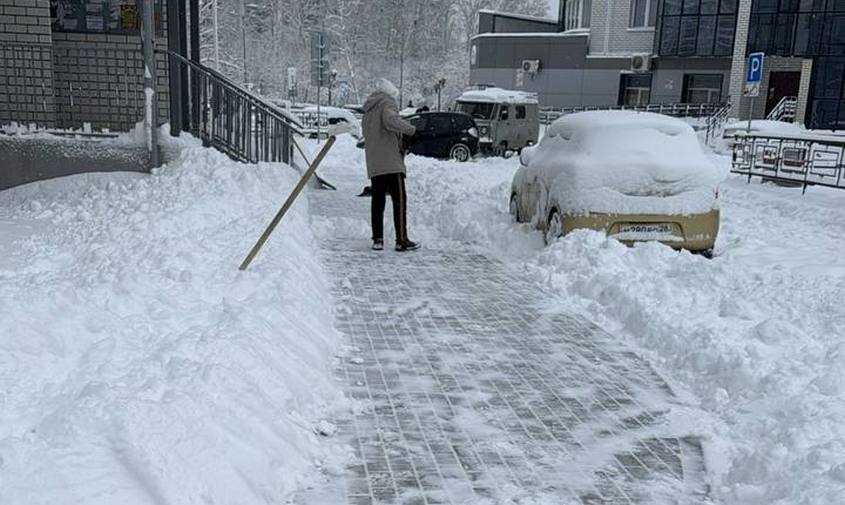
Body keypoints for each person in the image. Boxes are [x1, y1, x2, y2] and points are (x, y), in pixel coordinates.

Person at [361, 79, 420, 252]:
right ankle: (401, 239)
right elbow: (390, 121)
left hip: (375, 162)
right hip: (391, 162)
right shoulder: (386, 104)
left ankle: (377, 239)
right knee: (399, 200)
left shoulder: (368, 109)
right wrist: (411, 130)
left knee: (377, 201)